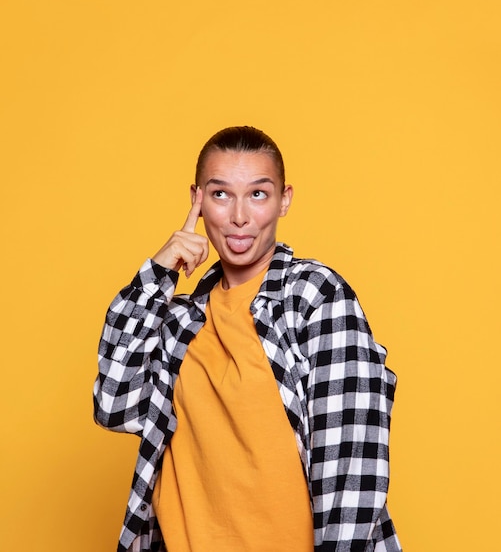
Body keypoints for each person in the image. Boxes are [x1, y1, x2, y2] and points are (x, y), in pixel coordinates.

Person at [94, 126, 402, 552]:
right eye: (221, 194)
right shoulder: (181, 321)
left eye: (258, 194)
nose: (240, 216)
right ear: (197, 200)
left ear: (284, 200)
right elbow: (114, 405)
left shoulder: (312, 296)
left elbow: (352, 465)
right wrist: (158, 274)